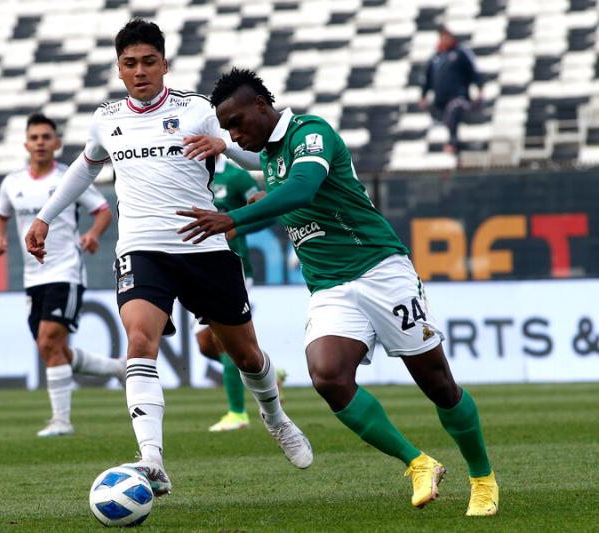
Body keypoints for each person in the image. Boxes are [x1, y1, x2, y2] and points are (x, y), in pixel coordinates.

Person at [177, 68, 499, 517]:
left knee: (438, 385)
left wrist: (234, 219)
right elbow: (258, 162)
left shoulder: (312, 133)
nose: (233, 132)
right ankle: (419, 463)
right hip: (331, 287)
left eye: (236, 122)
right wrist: (223, 146)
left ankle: (483, 479)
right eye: (225, 126)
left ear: (262, 107)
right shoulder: (267, 154)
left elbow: (302, 188)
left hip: (381, 271)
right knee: (328, 376)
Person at [26, 20, 312, 496]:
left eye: (148, 62)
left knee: (243, 353)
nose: (140, 71)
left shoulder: (199, 110)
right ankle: (152, 460)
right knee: (140, 342)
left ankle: (275, 416)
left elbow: (264, 155)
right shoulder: (106, 118)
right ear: (119, 69)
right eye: (130, 64)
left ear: (165, 64)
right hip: (141, 248)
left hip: (203, 244)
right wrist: (44, 217)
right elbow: (84, 168)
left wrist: (224, 145)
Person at [0, 113, 125, 437]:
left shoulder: (69, 179)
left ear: (57, 143)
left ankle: (61, 421)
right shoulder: (12, 183)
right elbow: (0, 213)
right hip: (32, 277)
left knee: (50, 340)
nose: (40, 143)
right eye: (34, 137)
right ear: (26, 144)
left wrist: (93, 234)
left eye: (46, 137)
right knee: (52, 349)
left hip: (65, 271)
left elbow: (103, 211)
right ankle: (117, 368)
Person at [199, 154, 281, 432]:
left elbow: (270, 211)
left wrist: (237, 225)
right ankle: (264, 369)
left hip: (233, 267)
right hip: (194, 267)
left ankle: (237, 413)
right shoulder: (183, 169)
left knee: (222, 342)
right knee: (206, 344)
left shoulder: (234, 176)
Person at [420, 26, 484, 155]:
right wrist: (423, 95)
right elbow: (428, 79)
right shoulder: (436, 58)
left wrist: (480, 89)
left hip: (459, 97)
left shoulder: (461, 53)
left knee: (454, 109)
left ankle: (452, 143)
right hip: (440, 101)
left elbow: (474, 72)